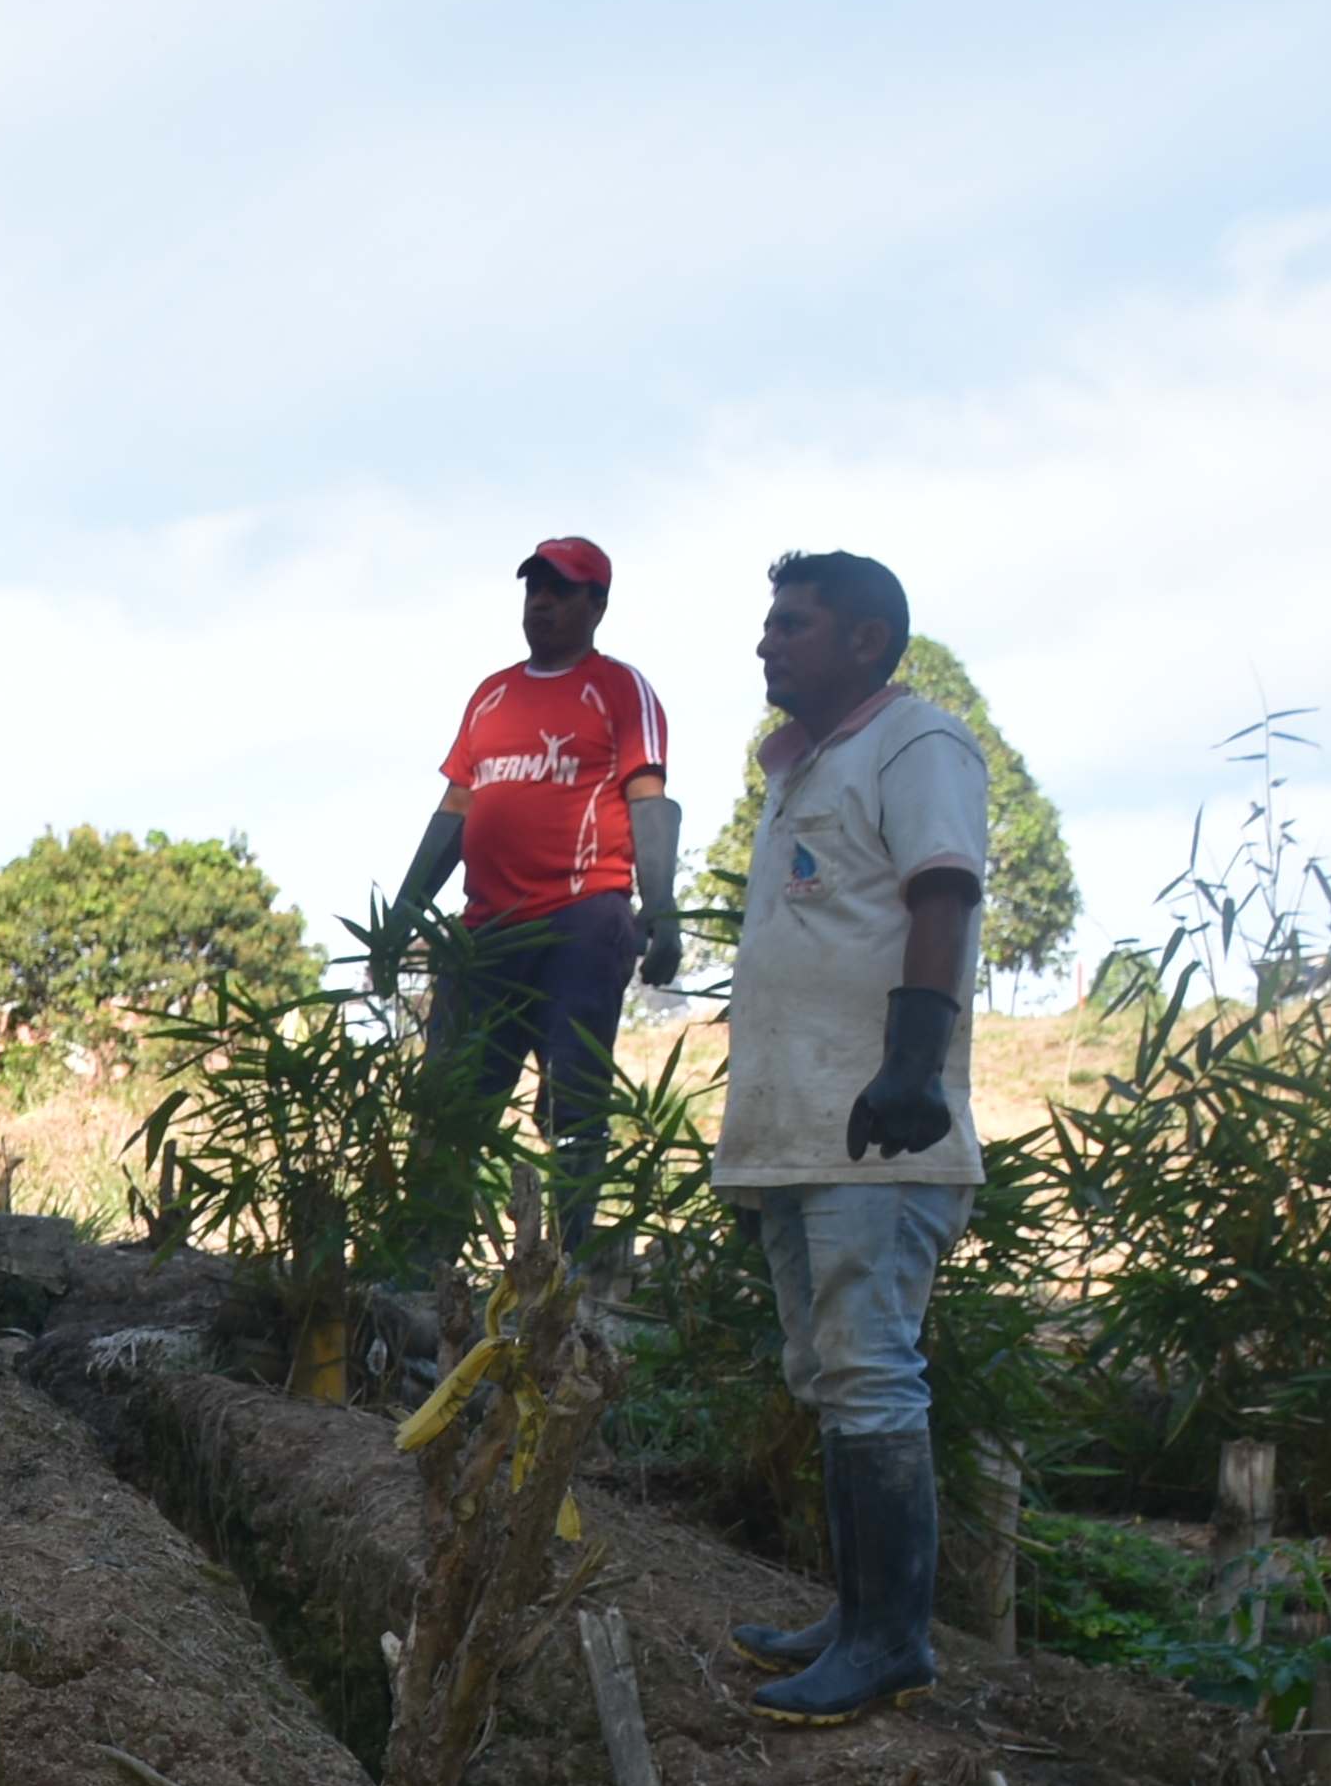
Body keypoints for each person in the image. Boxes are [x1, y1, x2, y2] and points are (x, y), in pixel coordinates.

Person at [710, 548, 988, 1723]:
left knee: (871, 1371)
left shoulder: (916, 744)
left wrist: (916, 1064)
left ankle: (890, 1639)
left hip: (880, 1128)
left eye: (793, 623)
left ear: (866, 639)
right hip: (797, 1131)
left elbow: (943, 890)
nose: (767, 642)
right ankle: (858, 1616)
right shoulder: (800, 767)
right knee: (830, 1375)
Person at [388, 534, 674, 1253]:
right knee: (450, 1106)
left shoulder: (617, 687)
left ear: (597, 605)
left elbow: (648, 799)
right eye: (533, 588)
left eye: (561, 589)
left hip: (581, 920)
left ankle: (571, 1269)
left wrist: (660, 909)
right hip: (485, 933)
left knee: (574, 1104)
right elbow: (455, 809)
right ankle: (421, 1266)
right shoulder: (492, 695)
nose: (541, 601)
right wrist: (404, 910)